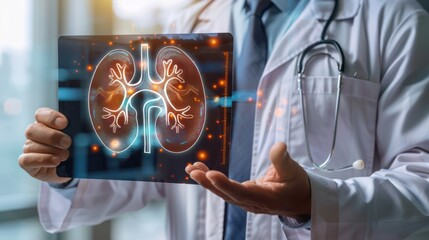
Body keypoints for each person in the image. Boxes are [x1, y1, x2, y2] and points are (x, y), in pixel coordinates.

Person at [19, 0, 429, 239]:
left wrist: (314, 202)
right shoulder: (190, 22)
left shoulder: (395, 22)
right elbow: (153, 164)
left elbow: (422, 183)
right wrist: (68, 169)